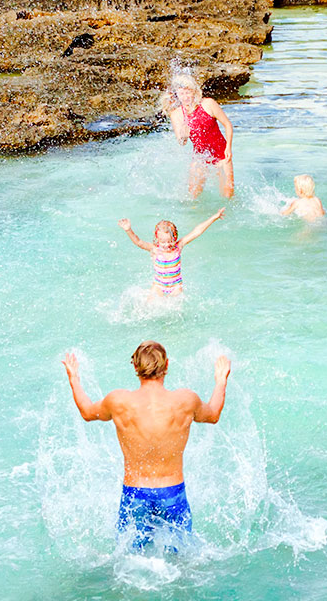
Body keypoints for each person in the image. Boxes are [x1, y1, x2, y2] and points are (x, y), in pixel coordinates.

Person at [61, 342, 231, 552]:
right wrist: (220, 380)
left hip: (135, 493)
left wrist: (74, 378)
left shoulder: (118, 401)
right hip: (172, 493)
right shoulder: (185, 400)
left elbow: (87, 412)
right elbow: (213, 414)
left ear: (135, 366)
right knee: (181, 558)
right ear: (166, 365)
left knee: (131, 557)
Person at [160, 75, 234, 199]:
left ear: (194, 91)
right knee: (193, 196)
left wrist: (228, 148)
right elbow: (181, 142)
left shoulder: (208, 104)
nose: (185, 97)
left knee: (228, 195)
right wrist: (184, 135)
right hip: (200, 157)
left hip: (221, 153)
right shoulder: (176, 114)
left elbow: (228, 125)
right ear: (177, 95)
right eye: (181, 94)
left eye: (188, 92)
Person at [118, 209, 224, 296]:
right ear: (157, 239)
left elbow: (196, 231)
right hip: (158, 286)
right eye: (163, 242)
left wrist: (214, 217)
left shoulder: (178, 247)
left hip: (176, 287)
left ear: (175, 237)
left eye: (170, 241)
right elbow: (138, 242)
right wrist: (128, 230)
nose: (167, 245)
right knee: (148, 308)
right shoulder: (155, 249)